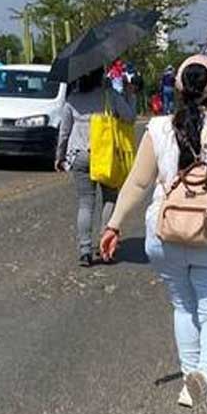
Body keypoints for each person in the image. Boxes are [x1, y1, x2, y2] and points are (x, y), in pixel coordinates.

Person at [99, 55, 207, 414]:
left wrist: (113, 224)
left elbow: (138, 184)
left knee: (183, 305)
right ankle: (205, 375)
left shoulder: (157, 128)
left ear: (178, 88)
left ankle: (191, 384)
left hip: (165, 232)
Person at [55, 67, 136, 267]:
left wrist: (59, 156)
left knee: (85, 203)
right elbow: (130, 117)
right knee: (110, 198)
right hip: (106, 156)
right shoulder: (110, 96)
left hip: (79, 156)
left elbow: (64, 132)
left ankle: (84, 249)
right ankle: (105, 244)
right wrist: (129, 94)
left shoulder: (72, 99)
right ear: (101, 75)